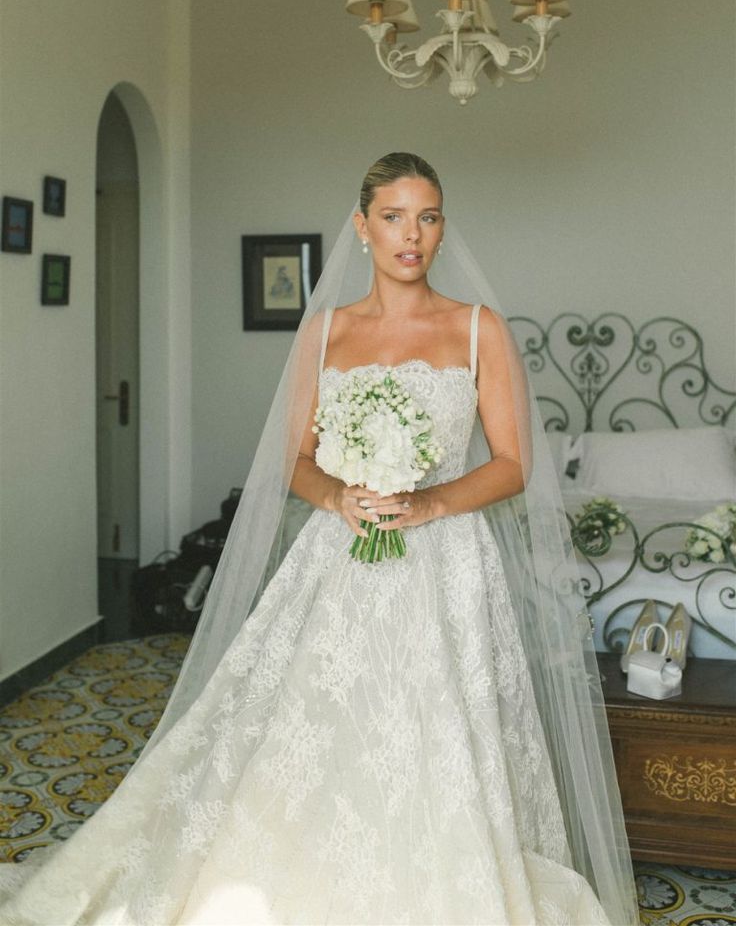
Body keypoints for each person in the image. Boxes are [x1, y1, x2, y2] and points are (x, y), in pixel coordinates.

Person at [0, 153, 638, 925]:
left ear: (443, 231)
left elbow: (511, 464)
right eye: (395, 216)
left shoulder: (478, 329)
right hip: (340, 560)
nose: (412, 235)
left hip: (445, 563)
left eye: (428, 217)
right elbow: (290, 459)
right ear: (361, 226)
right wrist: (337, 493)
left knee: (437, 737)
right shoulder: (326, 334)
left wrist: (430, 503)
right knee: (315, 728)